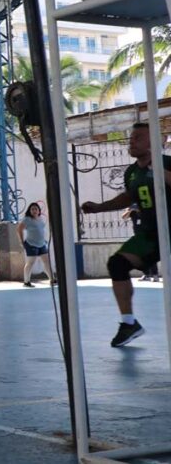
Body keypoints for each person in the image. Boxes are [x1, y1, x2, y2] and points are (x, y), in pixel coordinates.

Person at [81, 122, 171, 347]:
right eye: (131, 138)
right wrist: (100, 207)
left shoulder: (167, 163)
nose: (132, 142)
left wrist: (158, 169)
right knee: (117, 264)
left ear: (155, 142)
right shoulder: (132, 172)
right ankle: (129, 323)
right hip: (150, 234)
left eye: (138, 138)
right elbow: (128, 197)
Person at [18, 202, 54, 287]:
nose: (34, 210)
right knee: (30, 263)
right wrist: (21, 241)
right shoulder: (27, 219)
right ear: (29, 211)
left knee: (46, 261)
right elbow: (19, 229)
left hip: (41, 244)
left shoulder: (40, 219)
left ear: (39, 211)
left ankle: (52, 279)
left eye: (36, 209)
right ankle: (26, 281)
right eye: (32, 209)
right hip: (31, 244)